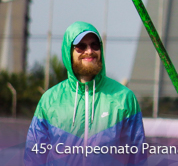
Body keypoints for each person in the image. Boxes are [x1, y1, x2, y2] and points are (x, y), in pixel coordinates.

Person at [25, 22, 145, 166]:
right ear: (68, 51)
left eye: (95, 45)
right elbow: (34, 157)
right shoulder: (50, 100)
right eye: (81, 46)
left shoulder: (124, 97)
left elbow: (137, 157)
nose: (89, 51)